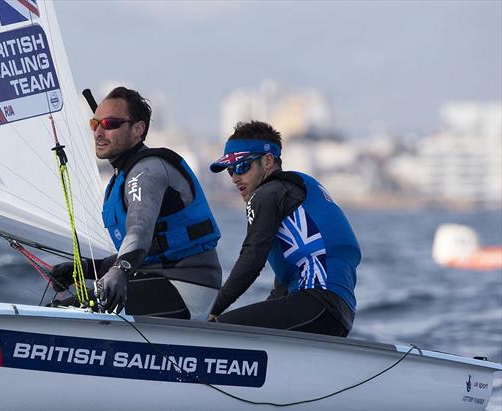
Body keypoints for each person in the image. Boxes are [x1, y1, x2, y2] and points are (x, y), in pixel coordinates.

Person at [51, 87, 222, 319]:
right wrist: (87, 269)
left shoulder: (147, 171)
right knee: (64, 309)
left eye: (110, 124)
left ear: (138, 129)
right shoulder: (122, 177)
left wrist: (119, 271)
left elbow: (139, 232)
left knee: (63, 315)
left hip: (185, 288)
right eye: (95, 124)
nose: (99, 132)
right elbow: (150, 249)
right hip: (157, 279)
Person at [206, 120, 361, 337]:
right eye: (230, 170)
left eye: (242, 166)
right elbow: (285, 285)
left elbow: (252, 259)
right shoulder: (297, 190)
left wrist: (211, 310)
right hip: (338, 313)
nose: (235, 178)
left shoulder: (266, 195)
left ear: (268, 161)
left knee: (213, 332)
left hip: (316, 304)